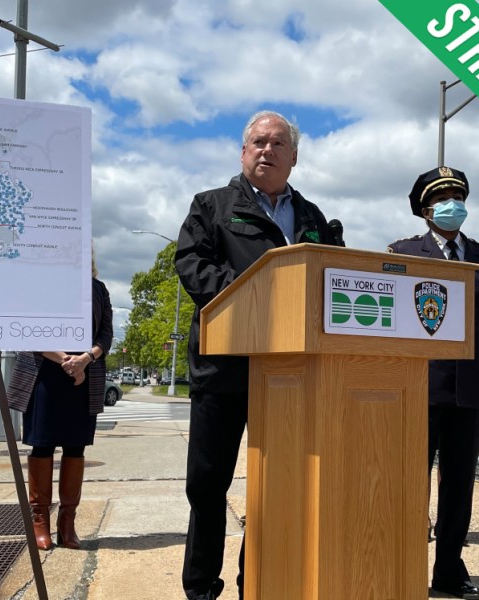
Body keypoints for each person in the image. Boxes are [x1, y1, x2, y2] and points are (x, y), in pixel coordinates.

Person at [175, 110, 334, 600]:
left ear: (294, 157)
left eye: (277, 143)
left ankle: (258, 584)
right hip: (224, 370)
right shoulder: (212, 205)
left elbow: (328, 274)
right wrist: (253, 295)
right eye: (258, 142)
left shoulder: (312, 218)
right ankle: (201, 589)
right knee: (207, 488)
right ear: (244, 152)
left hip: (288, 375)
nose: (267, 150)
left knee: (275, 489)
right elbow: (191, 263)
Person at [387, 166, 479, 600]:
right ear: (425, 208)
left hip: (470, 385)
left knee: (459, 485)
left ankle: (450, 571)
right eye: (443, 197)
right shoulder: (404, 252)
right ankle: (403, 565)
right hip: (421, 385)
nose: (453, 203)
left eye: (458, 195)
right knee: (410, 480)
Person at [7, 255, 113, 551]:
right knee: (42, 444)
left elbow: (106, 335)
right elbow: (30, 328)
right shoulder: (43, 284)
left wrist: (86, 358)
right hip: (45, 373)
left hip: (83, 375)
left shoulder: (99, 289)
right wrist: (66, 360)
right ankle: (39, 521)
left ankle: (67, 524)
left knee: (75, 446)